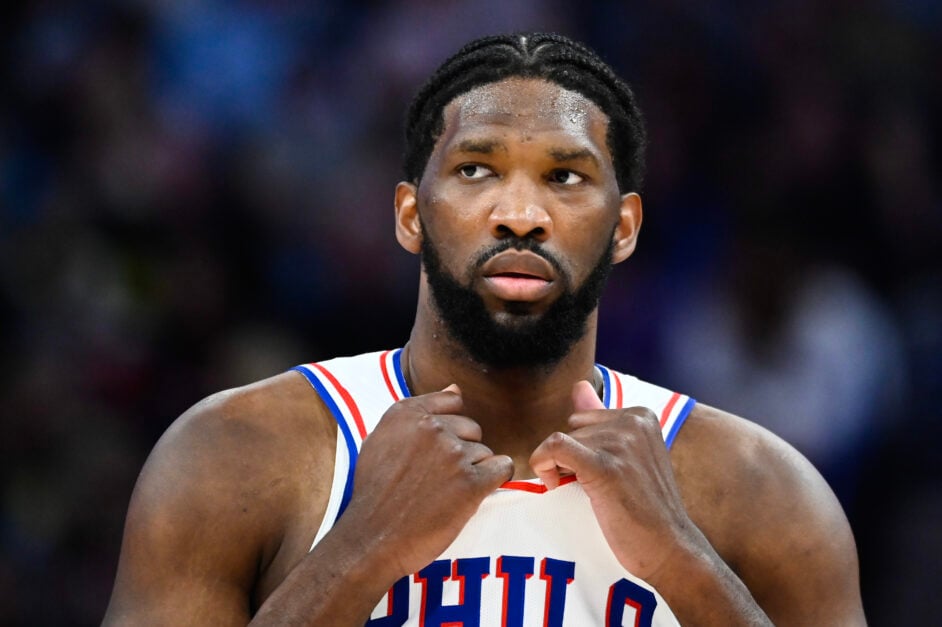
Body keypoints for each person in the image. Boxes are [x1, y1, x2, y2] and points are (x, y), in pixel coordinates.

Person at [103, 32, 866, 626]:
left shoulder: (760, 490)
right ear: (410, 213)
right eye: (476, 169)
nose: (521, 213)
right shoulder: (237, 455)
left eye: (564, 177)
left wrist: (686, 560)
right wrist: (362, 547)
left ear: (625, 226)